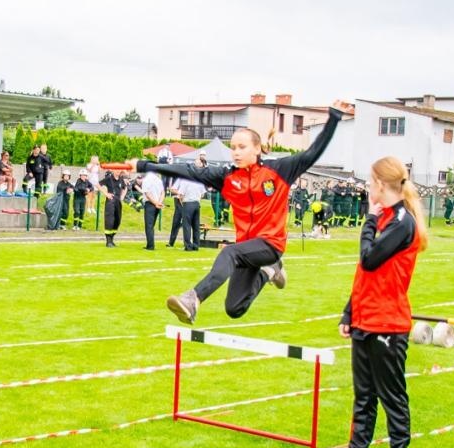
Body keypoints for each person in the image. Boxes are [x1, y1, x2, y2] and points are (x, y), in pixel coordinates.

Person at [141, 106, 341, 323]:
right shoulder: (227, 177)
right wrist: (145, 165)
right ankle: (269, 271)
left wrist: (334, 118)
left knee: (229, 253)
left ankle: (193, 299)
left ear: (257, 149)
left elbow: (313, 152)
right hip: (247, 248)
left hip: (270, 244)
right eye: (233, 147)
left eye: (241, 147)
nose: (235, 152)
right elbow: (189, 171)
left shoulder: (280, 169)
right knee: (234, 308)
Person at [326, 155, 430, 448]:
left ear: (381, 185)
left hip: (389, 322)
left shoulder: (401, 222)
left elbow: (369, 259)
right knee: (364, 396)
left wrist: (368, 221)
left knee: (392, 396)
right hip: (365, 319)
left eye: (371, 183)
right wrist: (348, 312)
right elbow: (364, 276)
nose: (368, 189)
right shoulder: (386, 217)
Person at [177, 161, 207, 251]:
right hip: (196, 203)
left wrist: (183, 202)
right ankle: (196, 244)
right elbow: (203, 194)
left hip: (188, 203)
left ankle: (188, 246)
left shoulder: (185, 180)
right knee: (196, 225)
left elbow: (181, 195)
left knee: (187, 225)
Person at [140, 160, 166, 250]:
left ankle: (150, 246)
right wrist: (159, 202)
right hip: (157, 204)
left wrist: (155, 202)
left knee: (149, 226)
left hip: (150, 204)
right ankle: (150, 244)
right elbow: (163, 192)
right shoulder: (159, 179)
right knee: (152, 225)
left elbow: (147, 193)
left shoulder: (147, 179)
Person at [101, 167, 126, 247]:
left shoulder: (121, 179)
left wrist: (122, 196)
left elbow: (125, 188)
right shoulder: (108, 178)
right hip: (110, 202)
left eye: (119, 170)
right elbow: (97, 184)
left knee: (117, 220)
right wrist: (106, 193)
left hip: (118, 201)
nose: (118, 171)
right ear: (113, 170)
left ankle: (112, 239)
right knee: (110, 220)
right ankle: (108, 241)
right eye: (116, 170)